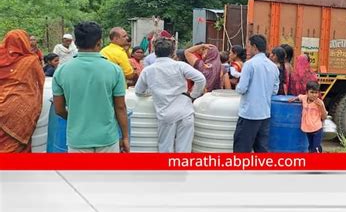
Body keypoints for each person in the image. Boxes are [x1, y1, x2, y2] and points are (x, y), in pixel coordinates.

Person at [52, 21, 129, 153]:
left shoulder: (61, 71)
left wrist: (77, 119)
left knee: (81, 174)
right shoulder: (114, 70)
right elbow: (120, 107)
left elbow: (59, 109)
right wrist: (125, 137)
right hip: (107, 139)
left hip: (77, 140)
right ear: (99, 42)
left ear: (75, 43)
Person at [135, 38, 206, 152]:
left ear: (154, 51)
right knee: (184, 150)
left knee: (165, 149)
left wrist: (152, 91)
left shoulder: (148, 70)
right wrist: (193, 95)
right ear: (173, 52)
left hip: (166, 115)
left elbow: (139, 91)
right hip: (185, 111)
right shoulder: (180, 66)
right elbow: (200, 78)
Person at [0, 30, 45, 152]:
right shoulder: (31, 61)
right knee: (17, 147)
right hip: (20, 111)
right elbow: (39, 82)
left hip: (2, 107)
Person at [233, 34, 280, 152]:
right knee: (261, 149)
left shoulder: (250, 64)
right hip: (265, 114)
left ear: (254, 47)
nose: (247, 50)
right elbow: (275, 90)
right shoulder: (273, 66)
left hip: (249, 114)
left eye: (248, 46)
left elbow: (242, 88)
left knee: (241, 149)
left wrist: (237, 86)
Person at [289, 81, 327, 153]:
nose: (314, 95)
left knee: (315, 149)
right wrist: (294, 98)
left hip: (317, 129)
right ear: (307, 92)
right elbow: (300, 96)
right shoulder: (304, 98)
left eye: (316, 93)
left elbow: (324, 117)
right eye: (312, 92)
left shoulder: (319, 103)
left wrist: (321, 107)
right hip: (308, 129)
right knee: (311, 146)